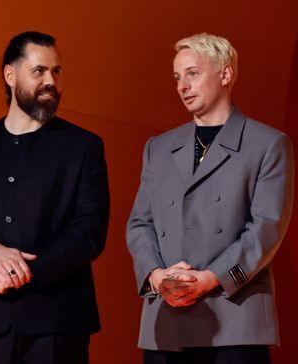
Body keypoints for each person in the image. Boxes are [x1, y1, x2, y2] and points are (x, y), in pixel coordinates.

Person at [126, 33, 294, 364]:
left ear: (226, 74)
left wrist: (209, 279)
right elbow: (139, 223)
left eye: (192, 73)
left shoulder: (267, 144)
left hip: (234, 318)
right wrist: (157, 277)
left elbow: (266, 227)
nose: (182, 85)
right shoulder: (158, 148)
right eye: (177, 77)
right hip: (166, 319)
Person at [0, 31, 110, 364]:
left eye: (56, 72)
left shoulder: (83, 147)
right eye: (39, 71)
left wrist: (23, 271)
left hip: (58, 321)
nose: (50, 80)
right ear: (10, 75)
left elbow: (90, 230)